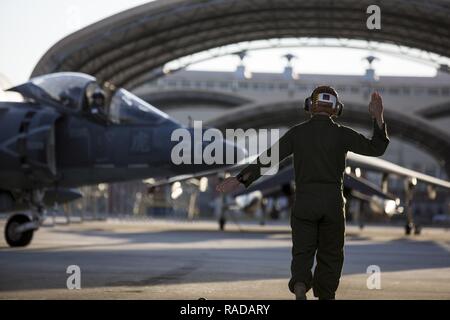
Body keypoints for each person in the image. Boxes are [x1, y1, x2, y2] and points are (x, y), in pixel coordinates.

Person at [216, 86, 389, 300]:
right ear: (336, 110)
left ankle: (299, 285)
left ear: (310, 106)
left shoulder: (297, 133)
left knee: (302, 252)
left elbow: (269, 158)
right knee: (331, 255)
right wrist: (378, 117)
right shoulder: (342, 134)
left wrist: (240, 179)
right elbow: (376, 148)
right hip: (333, 203)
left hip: (305, 201)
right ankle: (325, 295)